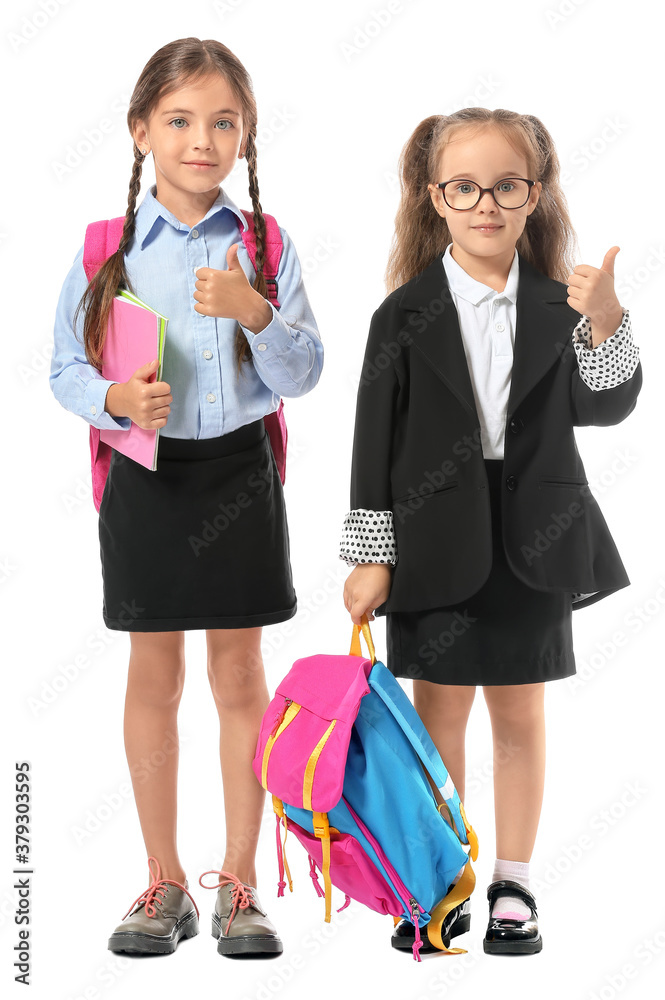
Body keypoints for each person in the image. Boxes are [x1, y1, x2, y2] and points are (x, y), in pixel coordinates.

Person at [340, 108, 641, 956]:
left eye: (506, 186)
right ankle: (438, 882)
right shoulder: (399, 315)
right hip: (433, 540)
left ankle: (511, 881)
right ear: (434, 196)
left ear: (533, 195)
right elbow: (372, 444)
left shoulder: (561, 305)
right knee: (438, 718)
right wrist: (370, 554)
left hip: (533, 535)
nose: (485, 204)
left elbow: (606, 406)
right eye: (464, 187)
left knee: (519, 715)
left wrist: (607, 323)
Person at [50, 37, 323, 958]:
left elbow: (305, 370)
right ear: (140, 132)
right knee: (152, 678)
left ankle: (239, 885)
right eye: (178, 120)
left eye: (222, 122)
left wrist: (254, 311)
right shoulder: (109, 248)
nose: (200, 139)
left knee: (241, 677)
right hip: (147, 480)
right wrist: (115, 399)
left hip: (239, 475)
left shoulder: (265, 246)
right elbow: (64, 368)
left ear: (245, 137)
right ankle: (163, 882)